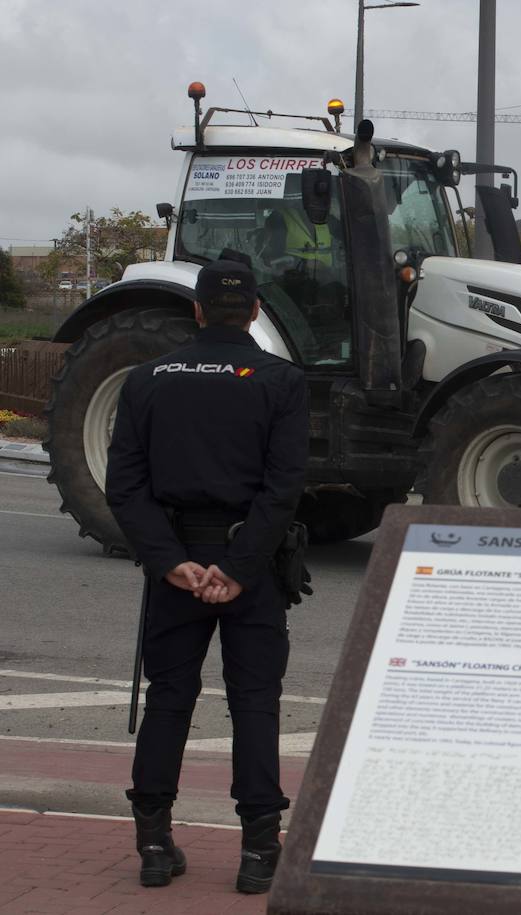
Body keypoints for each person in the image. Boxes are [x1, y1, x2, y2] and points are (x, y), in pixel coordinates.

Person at [105, 258, 309, 894]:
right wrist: (241, 567)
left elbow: (125, 487)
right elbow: (283, 488)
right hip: (251, 563)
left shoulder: (147, 380)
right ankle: (258, 852)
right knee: (255, 702)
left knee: (169, 697)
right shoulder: (281, 381)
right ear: (254, 311)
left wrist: (169, 561)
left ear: (196, 311)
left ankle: (154, 845)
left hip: (177, 566)